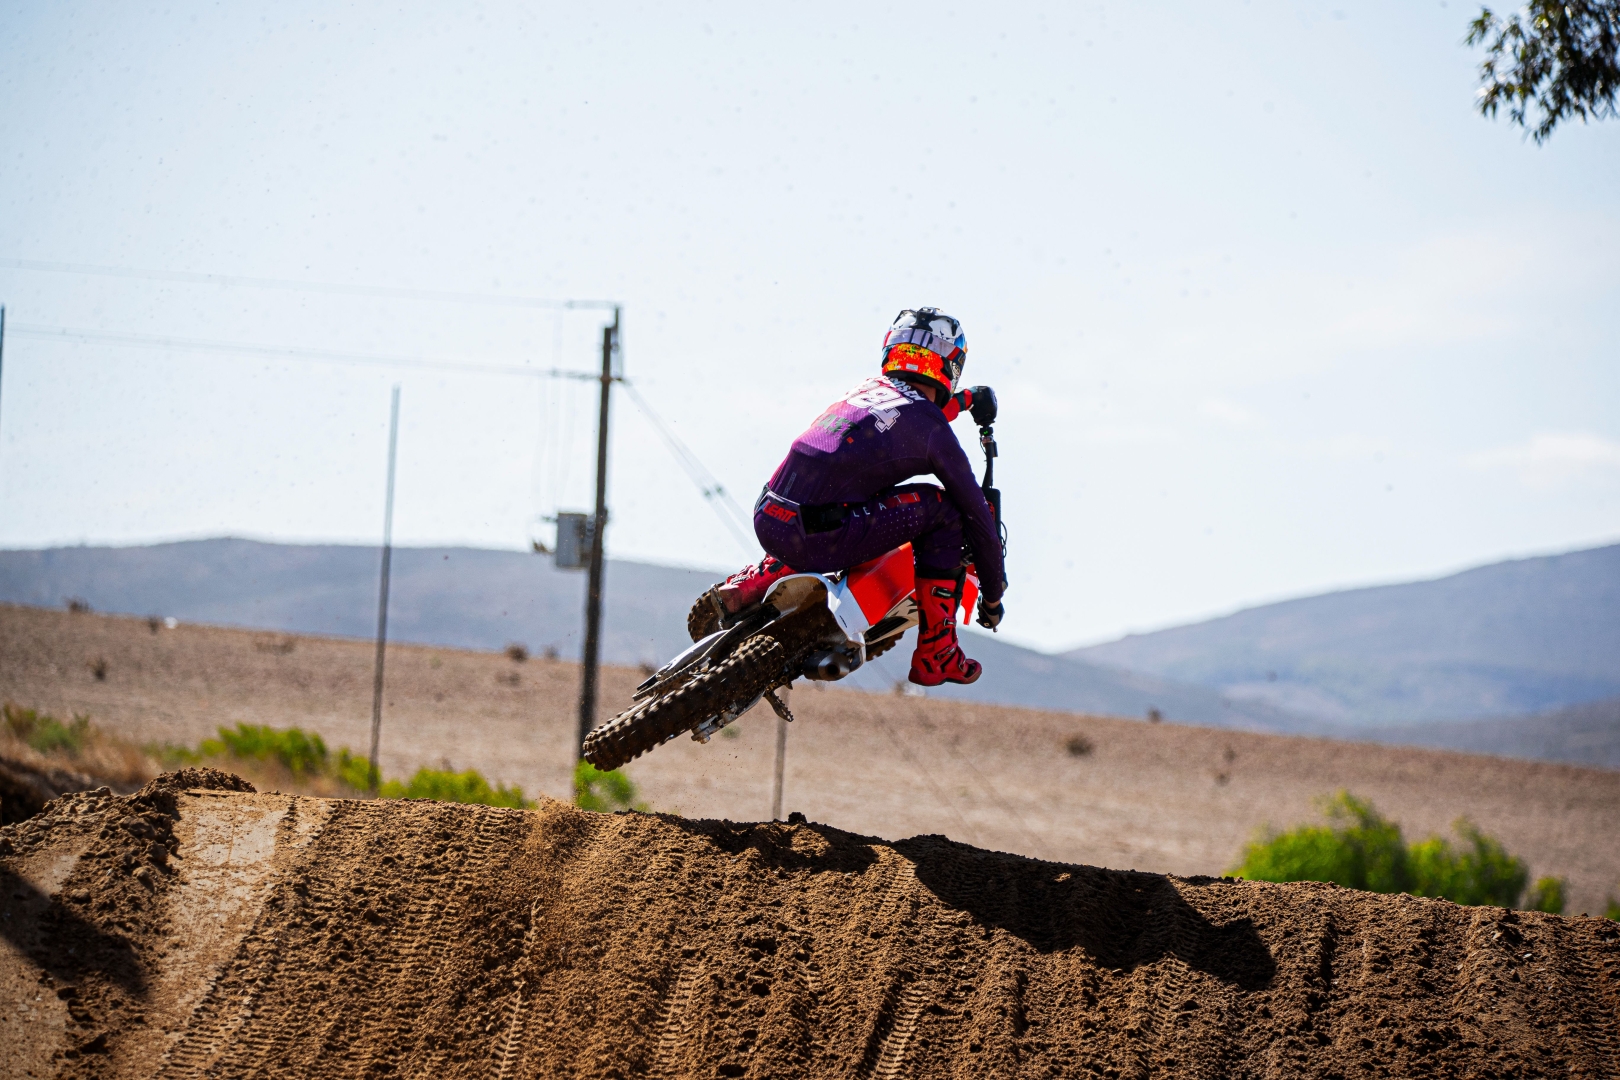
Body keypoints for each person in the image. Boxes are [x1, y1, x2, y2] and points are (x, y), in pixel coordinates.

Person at [693, 307, 1006, 686]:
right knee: (945, 509)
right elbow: (978, 518)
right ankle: (937, 653)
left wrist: (968, 400)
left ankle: (757, 581)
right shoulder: (934, 432)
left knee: (849, 482)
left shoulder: (866, 391)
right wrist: (993, 596)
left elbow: (912, 415)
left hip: (769, 516)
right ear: (952, 365)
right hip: (821, 537)